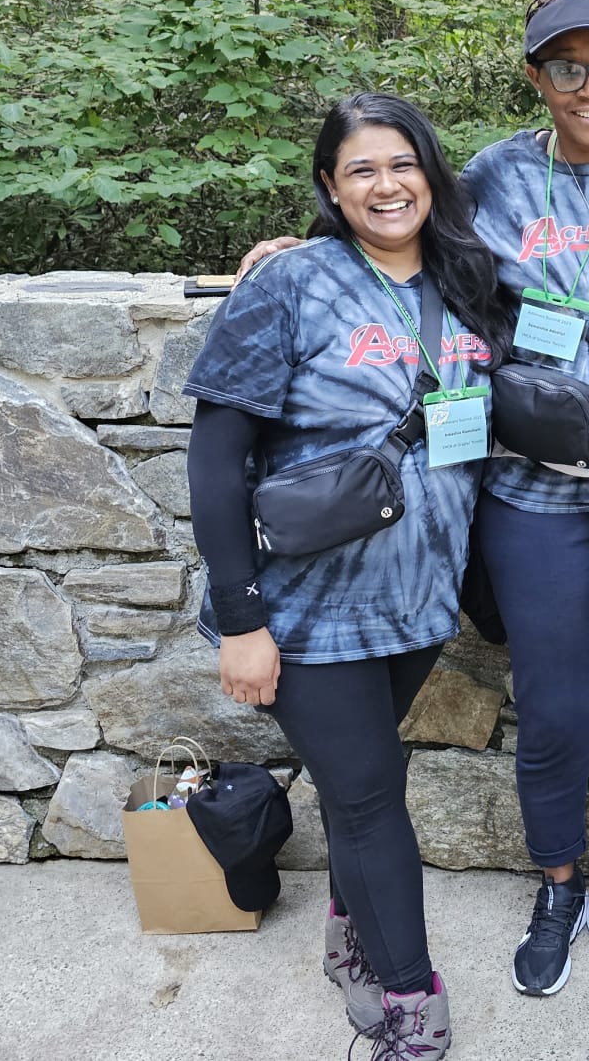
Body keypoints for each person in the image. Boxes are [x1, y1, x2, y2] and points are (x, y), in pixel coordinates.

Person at [238, 0, 589, 1003]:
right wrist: (309, 248)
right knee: (557, 708)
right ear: (535, 76)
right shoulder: (494, 180)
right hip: (532, 489)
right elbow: (401, 245)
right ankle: (556, 883)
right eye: (565, 65)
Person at [186, 93, 512, 1061]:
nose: (385, 184)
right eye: (360, 169)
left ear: (429, 173)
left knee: (354, 784)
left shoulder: (466, 280)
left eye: (401, 163)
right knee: (370, 799)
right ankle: (412, 1007)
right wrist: (242, 618)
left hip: (416, 605)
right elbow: (214, 459)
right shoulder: (290, 287)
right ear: (330, 187)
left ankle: (352, 941)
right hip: (304, 611)